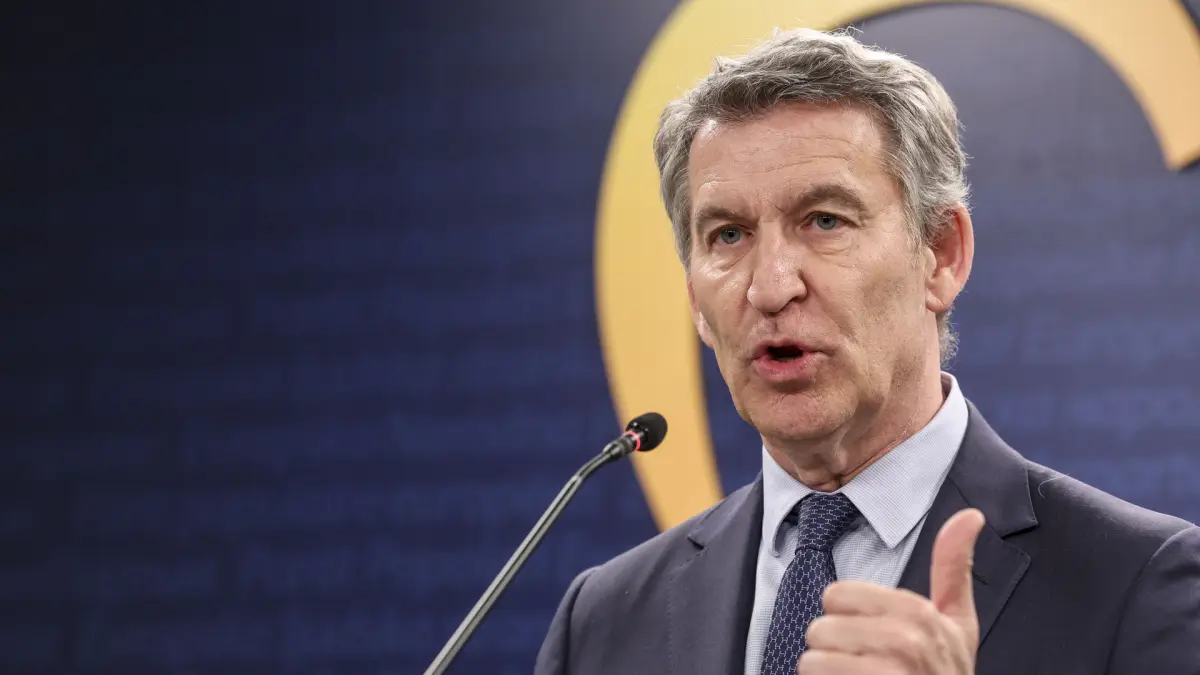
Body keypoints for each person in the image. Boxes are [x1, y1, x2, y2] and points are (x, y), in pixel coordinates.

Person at [533, 28, 1200, 675]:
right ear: (695, 300)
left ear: (941, 254)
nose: (770, 287)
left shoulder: (1139, 583)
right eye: (728, 235)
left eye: (825, 221)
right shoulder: (601, 622)